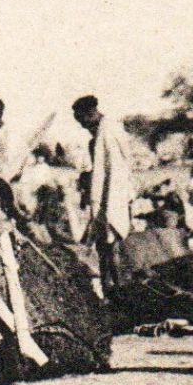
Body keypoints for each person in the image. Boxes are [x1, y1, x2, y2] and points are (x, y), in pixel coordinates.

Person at [72, 95, 135, 296]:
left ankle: (121, 291)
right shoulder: (97, 137)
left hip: (113, 198)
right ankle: (110, 291)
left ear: (90, 113)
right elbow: (99, 170)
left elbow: (116, 170)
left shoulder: (109, 132)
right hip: (103, 198)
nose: (83, 127)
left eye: (82, 121)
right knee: (103, 247)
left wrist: (109, 203)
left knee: (114, 245)